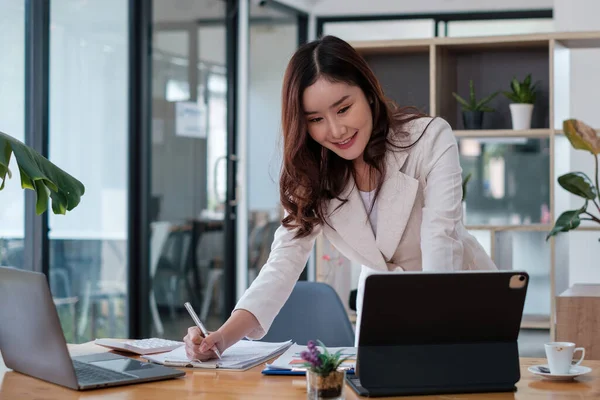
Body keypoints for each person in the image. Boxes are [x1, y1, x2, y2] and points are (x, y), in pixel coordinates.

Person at [184, 35, 497, 361]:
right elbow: (283, 264)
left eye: (344, 108)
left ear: (369, 94)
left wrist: (432, 336)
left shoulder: (429, 138)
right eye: (316, 119)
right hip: (384, 316)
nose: (335, 130)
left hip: (457, 303)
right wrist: (221, 339)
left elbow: (439, 238)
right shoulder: (312, 173)